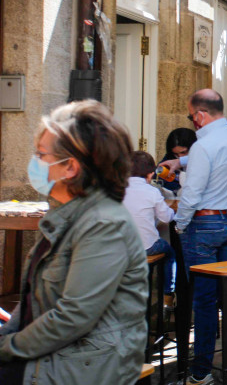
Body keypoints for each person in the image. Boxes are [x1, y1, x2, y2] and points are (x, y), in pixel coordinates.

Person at [0, 100, 147, 384]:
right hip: (53, 356)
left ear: (70, 168)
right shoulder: (65, 214)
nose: (35, 162)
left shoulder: (104, 224)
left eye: (41, 155)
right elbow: (37, 301)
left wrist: (6, 347)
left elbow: (73, 317)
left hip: (79, 367)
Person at [176, 89, 227, 384]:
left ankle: (202, 370)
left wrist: (180, 223)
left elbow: (192, 193)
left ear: (200, 115)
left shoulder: (202, 146)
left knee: (204, 301)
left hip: (204, 226)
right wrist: (179, 163)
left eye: (191, 117)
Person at [123, 151, 177, 310]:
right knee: (170, 253)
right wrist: (174, 212)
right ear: (151, 174)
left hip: (121, 247)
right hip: (147, 247)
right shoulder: (151, 191)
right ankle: (168, 295)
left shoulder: (117, 190)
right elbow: (167, 218)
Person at [159, 127, 197, 194]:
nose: (180, 157)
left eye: (183, 152)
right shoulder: (168, 160)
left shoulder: (202, 159)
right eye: (176, 154)